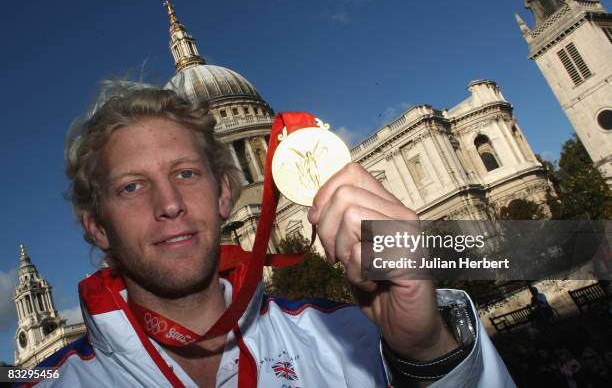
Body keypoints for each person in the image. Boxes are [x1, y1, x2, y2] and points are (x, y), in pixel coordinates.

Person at [25, 87, 514, 387]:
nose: (169, 204)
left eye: (188, 173)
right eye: (132, 187)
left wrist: (428, 351)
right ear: (95, 224)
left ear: (225, 193)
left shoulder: (353, 340)